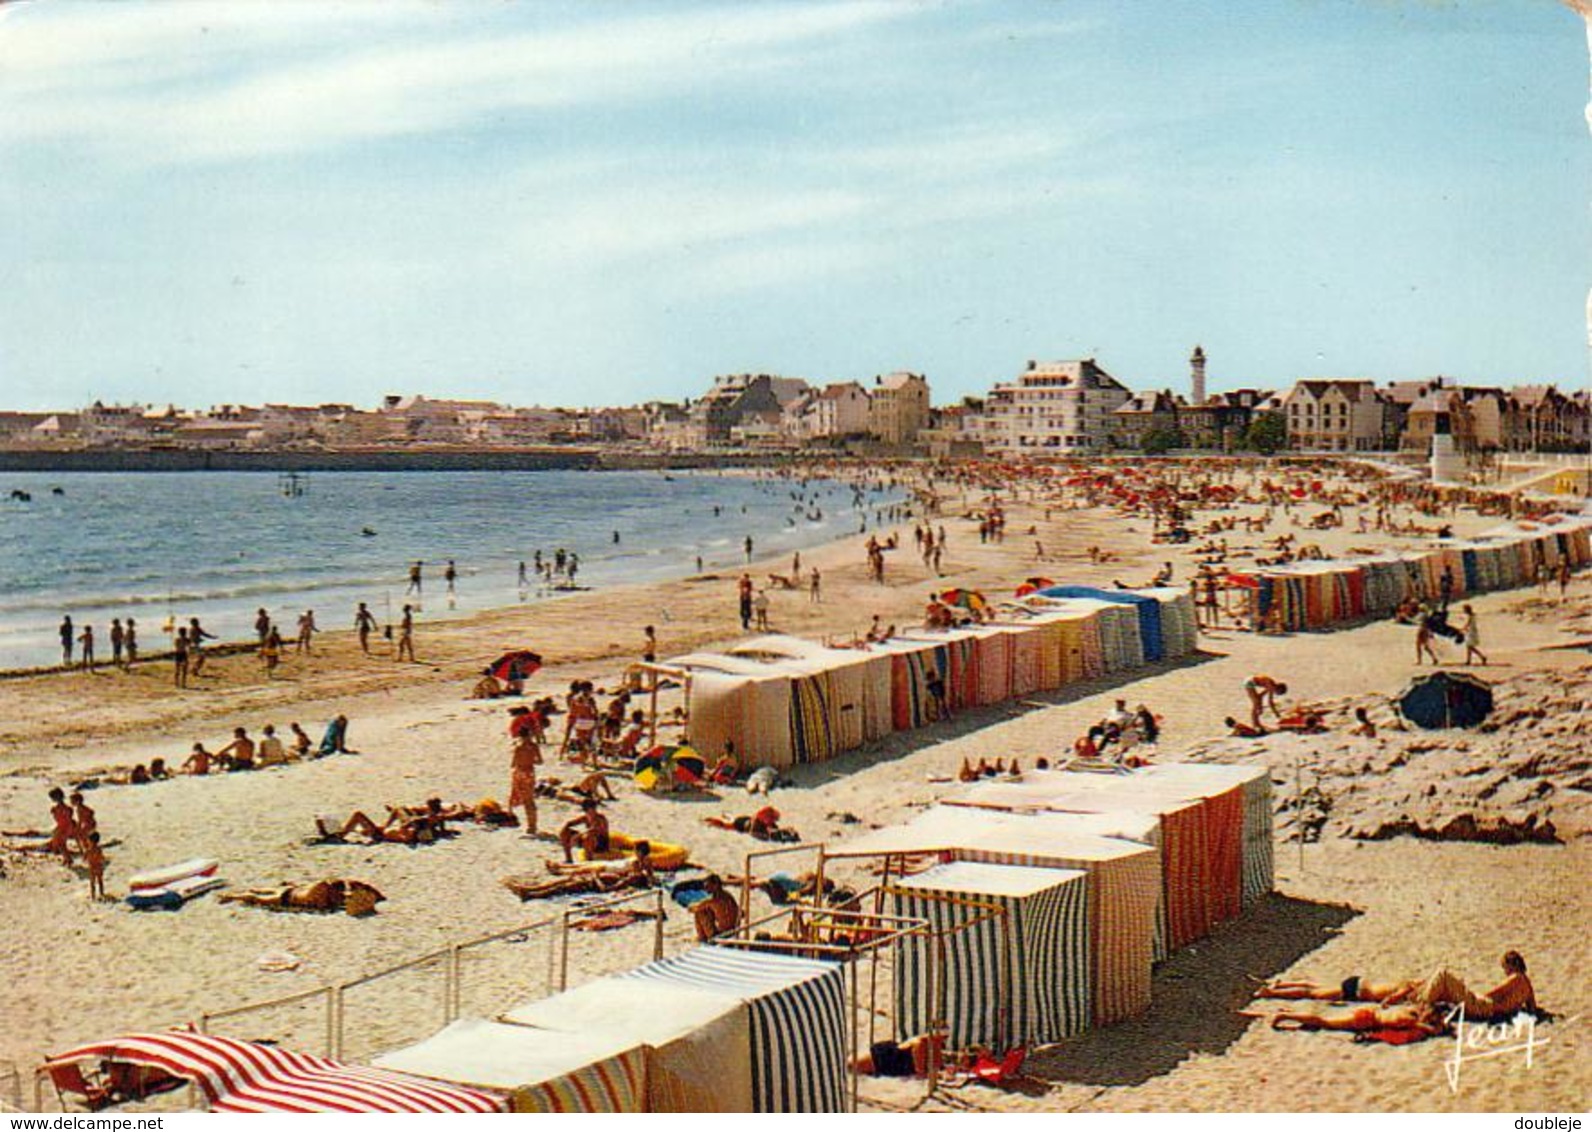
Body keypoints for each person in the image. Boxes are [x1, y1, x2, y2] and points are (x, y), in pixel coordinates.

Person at [1390, 952, 1537, 1021]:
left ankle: (1421, 1002)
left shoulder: (1516, 978)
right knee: (1448, 988)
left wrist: (1475, 995)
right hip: (1488, 1010)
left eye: (1505, 967)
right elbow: (1532, 1009)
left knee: (1444, 974)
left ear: (1512, 965)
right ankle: (1420, 997)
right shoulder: (1527, 985)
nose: (1505, 971)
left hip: (1484, 1008)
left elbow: (1493, 994)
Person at [509, 730, 543, 835]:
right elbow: (540, 761)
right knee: (529, 800)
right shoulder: (534, 747)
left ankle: (531, 825)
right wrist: (531, 760)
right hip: (529, 773)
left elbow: (513, 763)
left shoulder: (518, 748)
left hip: (520, 772)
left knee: (523, 799)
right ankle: (532, 825)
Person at [560, 798, 610, 863]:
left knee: (588, 837)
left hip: (600, 843)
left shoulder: (600, 818)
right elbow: (570, 823)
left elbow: (594, 830)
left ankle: (589, 860)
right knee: (565, 833)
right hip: (589, 839)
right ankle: (569, 858)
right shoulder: (585, 818)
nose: (591, 812)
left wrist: (577, 836)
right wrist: (565, 828)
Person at [693, 874, 740, 942]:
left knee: (699, 913)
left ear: (715, 886)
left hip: (723, 934)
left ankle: (702, 938)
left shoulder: (714, 900)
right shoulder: (727, 895)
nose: (706, 889)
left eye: (708, 886)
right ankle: (703, 937)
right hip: (734, 930)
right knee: (707, 911)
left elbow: (694, 908)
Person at [45, 787, 77, 864]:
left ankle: (68, 859)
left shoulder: (60, 809)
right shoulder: (65, 808)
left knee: (61, 844)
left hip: (64, 828)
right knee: (61, 844)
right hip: (64, 827)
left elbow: (65, 820)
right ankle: (67, 859)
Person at [83, 831, 107, 902]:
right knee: (100, 881)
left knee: (92, 882)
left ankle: (93, 896)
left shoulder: (88, 850)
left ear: (90, 841)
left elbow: (85, 857)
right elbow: (101, 857)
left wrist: (86, 859)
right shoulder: (98, 849)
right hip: (98, 866)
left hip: (92, 867)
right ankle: (101, 893)